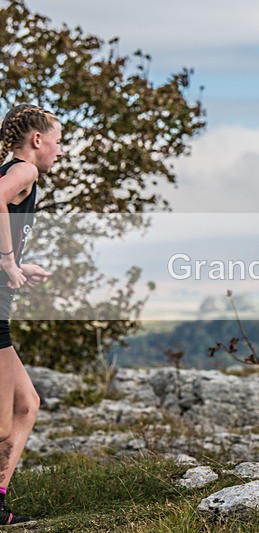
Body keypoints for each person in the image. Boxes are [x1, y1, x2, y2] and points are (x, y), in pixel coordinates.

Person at [0, 104, 59, 525]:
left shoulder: (10, 170)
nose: (59, 149)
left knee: (26, 404)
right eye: (56, 139)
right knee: (3, 422)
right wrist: (7, 261)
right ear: (37, 139)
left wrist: (20, 264)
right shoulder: (25, 171)